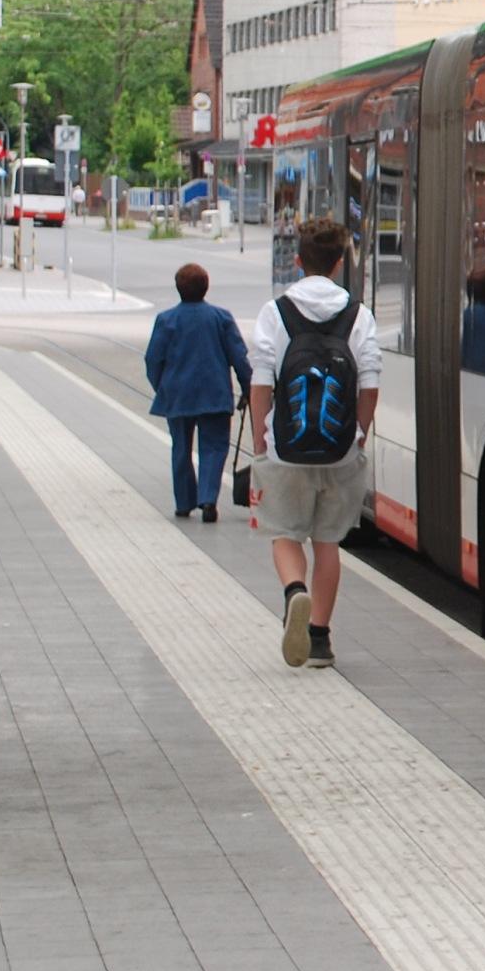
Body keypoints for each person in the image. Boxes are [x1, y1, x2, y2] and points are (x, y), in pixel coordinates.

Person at [248, 218, 383, 669]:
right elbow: (370, 385)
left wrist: (260, 443)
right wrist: (358, 435)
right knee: (328, 543)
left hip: (286, 449)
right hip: (341, 449)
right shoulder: (359, 315)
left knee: (285, 533)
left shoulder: (276, 312)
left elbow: (262, 380)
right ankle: (320, 639)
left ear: (298, 260)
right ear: (340, 263)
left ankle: (294, 591)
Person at [143, 262, 250, 523]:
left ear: (178, 288)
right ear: (206, 287)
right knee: (213, 447)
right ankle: (208, 499)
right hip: (215, 395)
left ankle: (183, 502)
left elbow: (152, 360)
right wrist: (248, 388)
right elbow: (239, 357)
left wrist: (162, 387)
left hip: (178, 395)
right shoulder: (221, 318)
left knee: (181, 447)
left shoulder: (166, 320)